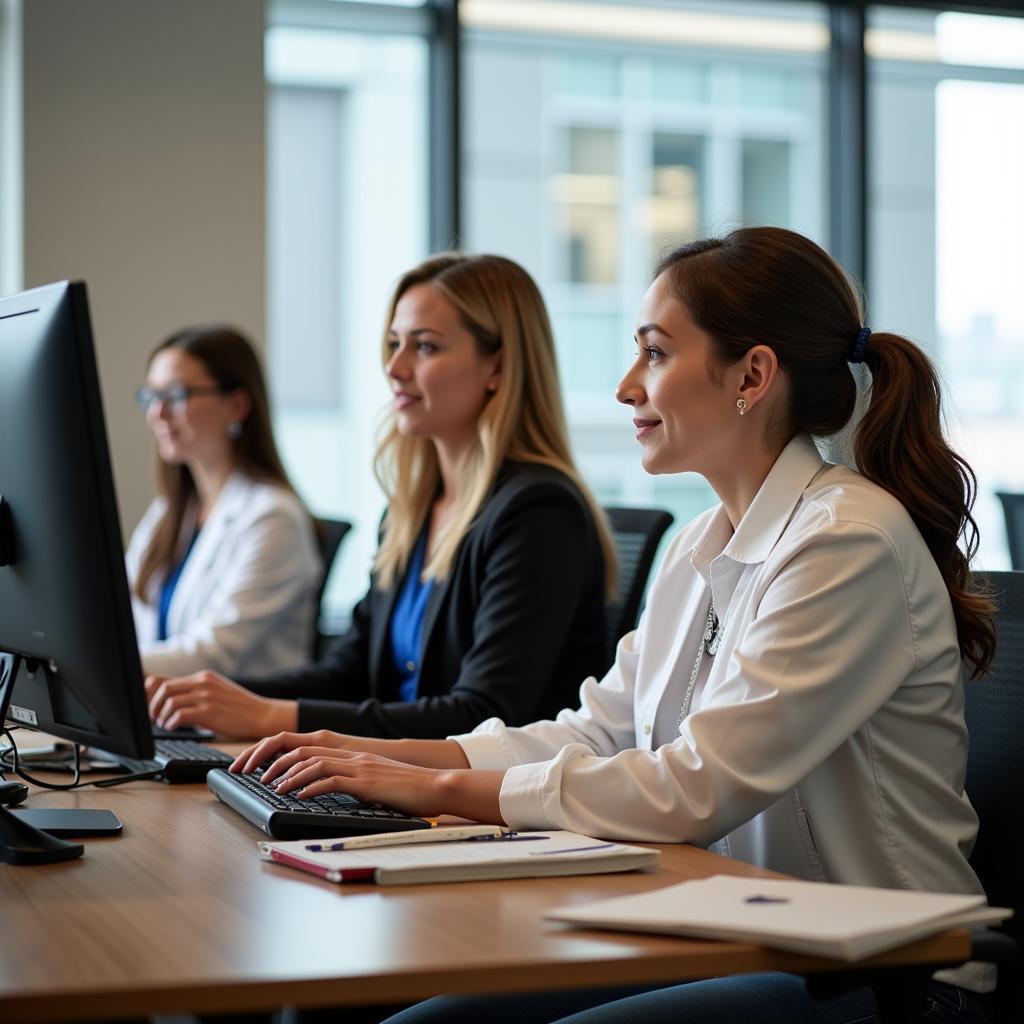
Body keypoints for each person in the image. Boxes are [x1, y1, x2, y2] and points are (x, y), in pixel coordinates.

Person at [232, 228, 997, 1024]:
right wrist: (373, 756)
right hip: (734, 930)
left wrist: (438, 788)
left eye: (656, 354)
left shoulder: (847, 543)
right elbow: (601, 733)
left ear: (753, 375)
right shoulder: (700, 545)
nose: (628, 386)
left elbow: (695, 786)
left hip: (890, 973)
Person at [145, 254, 616, 741]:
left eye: (426, 347)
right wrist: (216, 699)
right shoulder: (410, 513)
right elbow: (350, 675)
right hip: (399, 784)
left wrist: (270, 717)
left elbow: (483, 714)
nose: (394, 368)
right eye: (394, 344)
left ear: (497, 366)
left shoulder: (538, 512)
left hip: (495, 808)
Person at [126, 326, 321, 680]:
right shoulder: (168, 512)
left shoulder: (274, 517)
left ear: (237, 404)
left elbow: (213, 654)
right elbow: (118, 620)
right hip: (162, 718)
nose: (158, 413)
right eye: (152, 397)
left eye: (176, 394)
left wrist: (106, 668)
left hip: (239, 731)